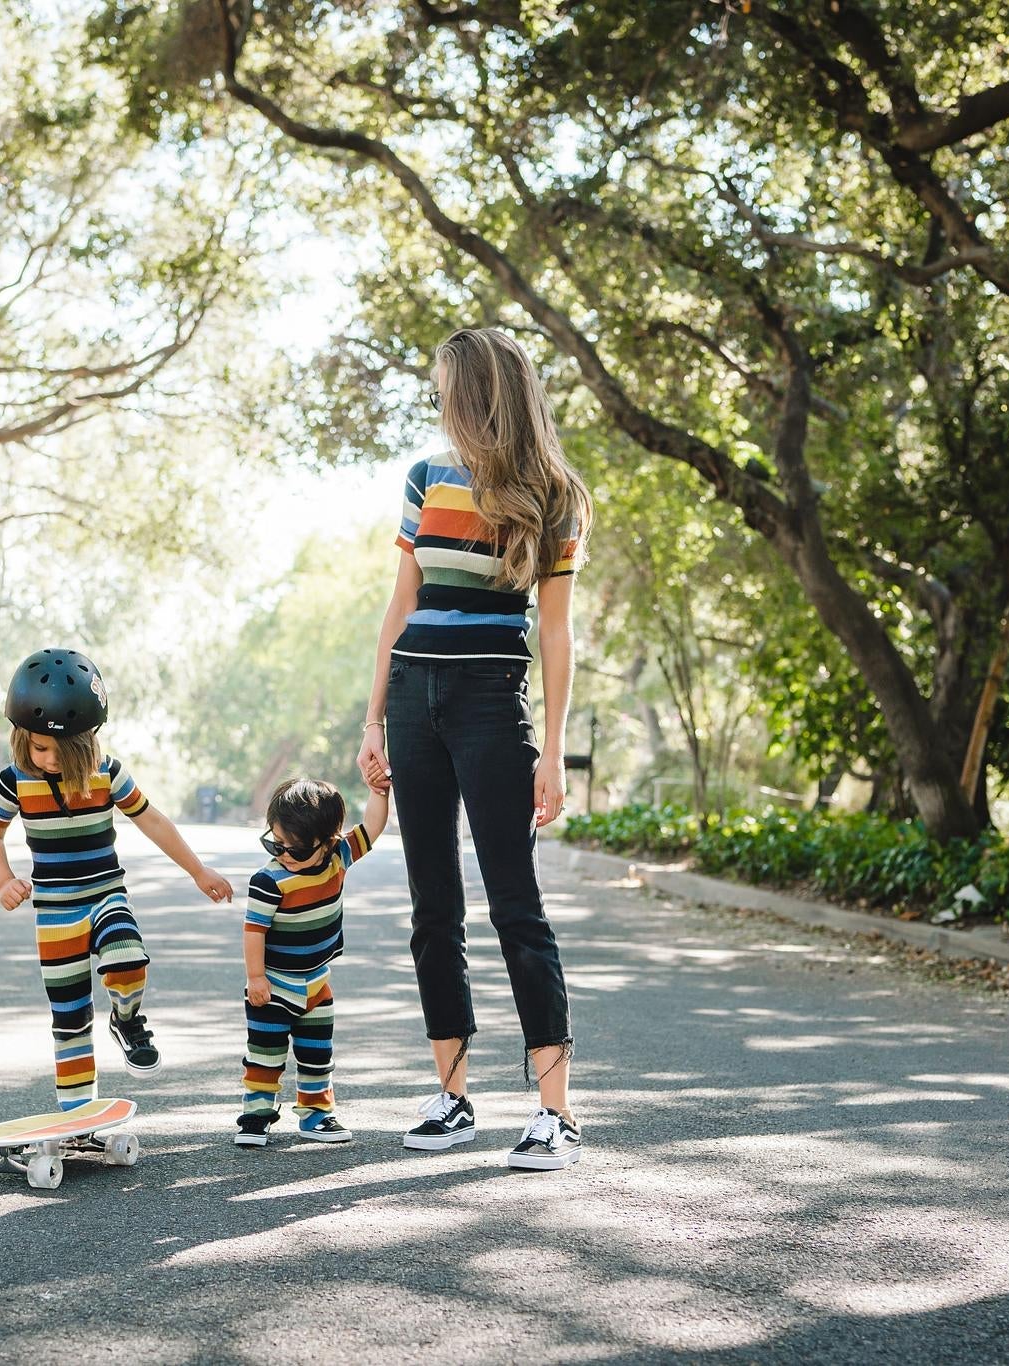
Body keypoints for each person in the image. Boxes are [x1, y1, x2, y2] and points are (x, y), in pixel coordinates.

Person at [355, 327, 593, 1171]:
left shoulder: (558, 495)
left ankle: (555, 1113)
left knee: (514, 907)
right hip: (415, 698)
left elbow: (556, 636)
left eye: (446, 387)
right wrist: (373, 718)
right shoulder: (425, 477)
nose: (438, 403)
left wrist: (552, 750)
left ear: (481, 392)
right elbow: (400, 605)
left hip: (493, 705)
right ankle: (453, 1095)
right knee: (432, 908)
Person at [0, 647, 233, 1111]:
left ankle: (127, 1017)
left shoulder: (107, 774)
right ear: (20, 737)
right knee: (69, 1018)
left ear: (87, 742)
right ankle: (79, 1117)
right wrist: (3, 881)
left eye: (63, 750)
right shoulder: (14, 781)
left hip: (105, 895)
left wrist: (198, 870)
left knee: (128, 958)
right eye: (39, 747)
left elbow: (152, 820)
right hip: (55, 911)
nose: (50, 760)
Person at [234, 776, 389, 1148]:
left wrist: (378, 790)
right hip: (272, 986)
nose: (284, 854)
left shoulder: (338, 859)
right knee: (265, 1056)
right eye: (275, 843)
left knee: (317, 1055)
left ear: (327, 841)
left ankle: (316, 1114)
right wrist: (256, 978)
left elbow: (373, 827)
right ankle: (256, 1115)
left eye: (297, 849)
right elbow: (253, 930)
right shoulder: (269, 880)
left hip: (317, 984)